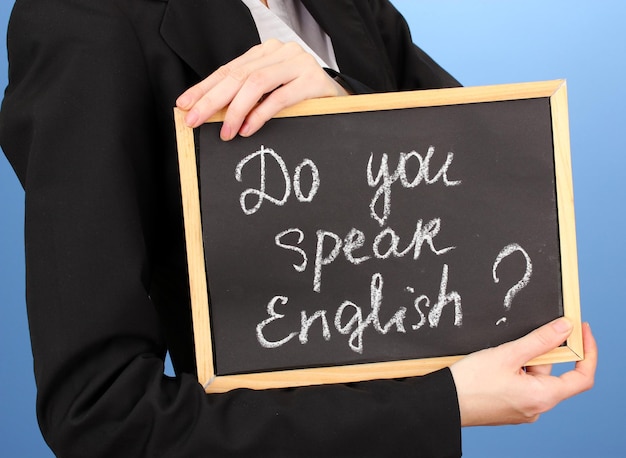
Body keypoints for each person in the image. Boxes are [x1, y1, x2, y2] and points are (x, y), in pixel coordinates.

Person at [0, 0, 596, 456]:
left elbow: (488, 195)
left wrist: (340, 108)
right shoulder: (79, 24)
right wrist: (441, 404)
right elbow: (101, 416)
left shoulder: (344, 8)